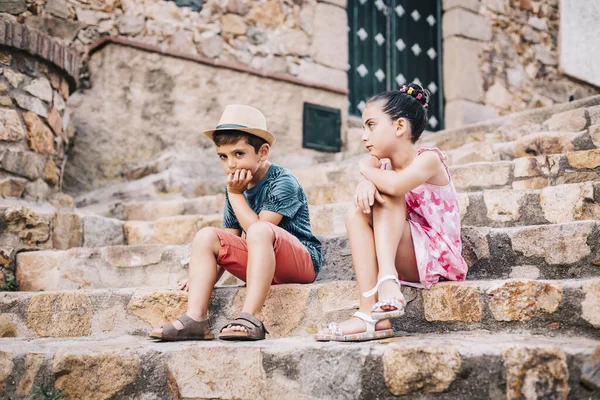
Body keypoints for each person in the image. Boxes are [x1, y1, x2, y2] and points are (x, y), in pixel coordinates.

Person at [150, 104, 322, 341]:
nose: (230, 164)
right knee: (207, 235)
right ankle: (196, 319)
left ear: (262, 152)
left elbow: (257, 231)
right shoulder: (236, 186)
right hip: (259, 265)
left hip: (299, 263)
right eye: (223, 156)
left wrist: (236, 195)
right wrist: (202, 276)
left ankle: (250, 316)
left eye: (238, 154)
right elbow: (228, 240)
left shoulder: (283, 181)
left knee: (260, 230)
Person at [316, 83, 468, 342]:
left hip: (435, 255)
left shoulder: (429, 159)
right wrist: (368, 181)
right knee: (355, 213)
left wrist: (366, 172)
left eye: (371, 125)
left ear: (399, 127)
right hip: (405, 250)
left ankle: (387, 279)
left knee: (388, 192)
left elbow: (396, 185)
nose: (364, 136)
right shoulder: (383, 166)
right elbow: (380, 185)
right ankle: (369, 315)